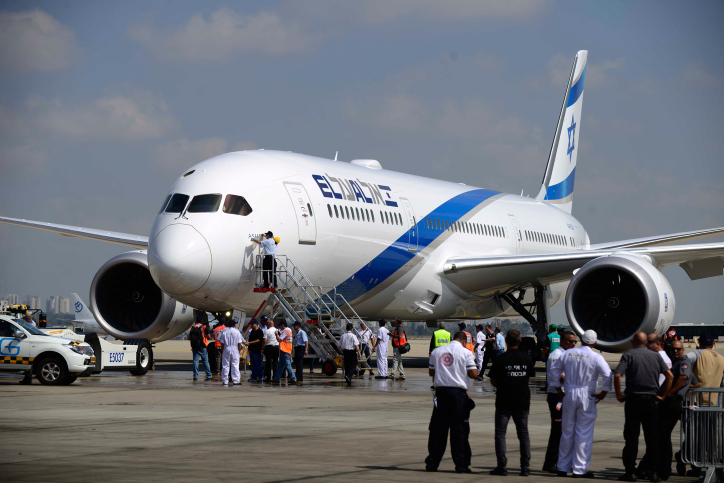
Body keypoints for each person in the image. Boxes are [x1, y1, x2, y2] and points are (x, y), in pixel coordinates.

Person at [550, 330, 612, 478]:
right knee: (583, 432)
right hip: (587, 395)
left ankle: (563, 467)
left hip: (569, 393)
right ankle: (579, 469)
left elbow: (554, 371)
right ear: (594, 343)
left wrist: (558, 388)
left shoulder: (567, 354)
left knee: (567, 431)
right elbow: (607, 374)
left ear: (581, 340)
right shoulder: (596, 357)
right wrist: (603, 393)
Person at [614, 331, 674, 482]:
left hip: (633, 399)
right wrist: (664, 396)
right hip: (651, 401)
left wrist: (619, 395)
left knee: (631, 438)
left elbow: (617, 375)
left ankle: (630, 472)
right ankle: (653, 472)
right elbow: (670, 376)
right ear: (646, 343)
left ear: (634, 341)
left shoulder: (628, 355)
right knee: (652, 438)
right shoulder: (656, 356)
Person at [425, 331, 478, 473]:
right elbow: (474, 374)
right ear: (464, 341)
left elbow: (431, 372)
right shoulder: (466, 353)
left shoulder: (437, 351)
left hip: (440, 394)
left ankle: (432, 464)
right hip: (458, 395)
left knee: (437, 430)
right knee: (459, 431)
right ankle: (461, 465)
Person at [489, 329, 535, 476]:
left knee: (500, 434)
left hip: (504, 401)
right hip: (522, 401)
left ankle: (502, 466)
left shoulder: (500, 359)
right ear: (520, 341)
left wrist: (504, 385)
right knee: (523, 434)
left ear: (506, 341)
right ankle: (525, 467)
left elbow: (493, 380)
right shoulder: (526, 359)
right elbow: (528, 378)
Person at [657, 339, 695, 480]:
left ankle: (665, 469)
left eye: (678, 349)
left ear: (683, 350)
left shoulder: (684, 362)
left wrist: (670, 392)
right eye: (673, 349)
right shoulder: (676, 362)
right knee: (663, 435)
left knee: (664, 435)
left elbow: (684, 377)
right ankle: (663, 467)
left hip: (672, 402)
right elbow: (694, 382)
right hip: (671, 401)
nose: (675, 351)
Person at [542, 330, 576, 473]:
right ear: (562, 341)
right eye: (570, 341)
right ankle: (550, 463)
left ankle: (559, 462)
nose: (573, 344)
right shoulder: (557, 355)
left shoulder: (567, 355)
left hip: (564, 395)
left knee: (564, 430)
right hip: (557, 396)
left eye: (575, 342)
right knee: (557, 430)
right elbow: (557, 375)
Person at [691, 333, 724, 405]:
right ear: (712, 345)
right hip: (712, 400)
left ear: (700, 344)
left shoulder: (698, 354)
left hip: (696, 399)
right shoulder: (721, 358)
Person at [219, 319, 244, 386]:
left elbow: (222, 343)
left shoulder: (224, 332)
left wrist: (223, 350)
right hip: (235, 349)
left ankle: (225, 381)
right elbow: (239, 343)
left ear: (228, 325)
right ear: (234, 325)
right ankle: (235, 380)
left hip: (226, 348)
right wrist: (239, 351)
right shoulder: (237, 332)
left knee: (225, 365)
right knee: (235, 365)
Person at [189, 316, 212, 381]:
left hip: (195, 347)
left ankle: (195, 376)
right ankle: (209, 375)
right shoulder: (204, 327)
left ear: (196, 321)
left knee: (195, 362)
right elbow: (209, 337)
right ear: (201, 321)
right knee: (205, 362)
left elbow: (190, 337)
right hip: (202, 346)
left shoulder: (192, 328)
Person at [262, 315, 279, 382]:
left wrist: (262, 348)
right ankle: (275, 377)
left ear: (269, 325)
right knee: (275, 362)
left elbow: (264, 340)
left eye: (267, 325)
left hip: (269, 347)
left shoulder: (267, 331)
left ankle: (268, 377)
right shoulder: (277, 330)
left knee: (268, 363)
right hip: (276, 347)